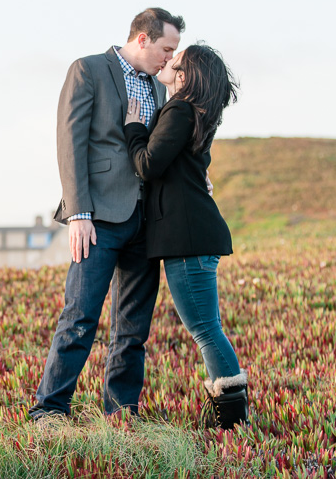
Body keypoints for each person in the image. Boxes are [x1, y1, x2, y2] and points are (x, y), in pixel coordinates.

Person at [28, 8, 184, 420]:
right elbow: (70, 141)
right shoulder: (88, 69)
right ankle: (49, 410)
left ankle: (121, 414)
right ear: (143, 39)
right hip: (96, 220)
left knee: (133, 331)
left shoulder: (158, 85)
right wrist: (77, 212)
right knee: (80, 317)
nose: (170, 58)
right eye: (167, 49)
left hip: (145, 222)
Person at [123, 43, 247, 430]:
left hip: (189, 240)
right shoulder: (196, 113)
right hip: (194, 237)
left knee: (205, 329)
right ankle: (231, 417)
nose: (169, 61)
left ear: (185, 74)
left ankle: (232, 421)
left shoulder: (178, 109)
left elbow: (147, 164)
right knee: (206, 328)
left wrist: (133, 128)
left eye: (177, 60)